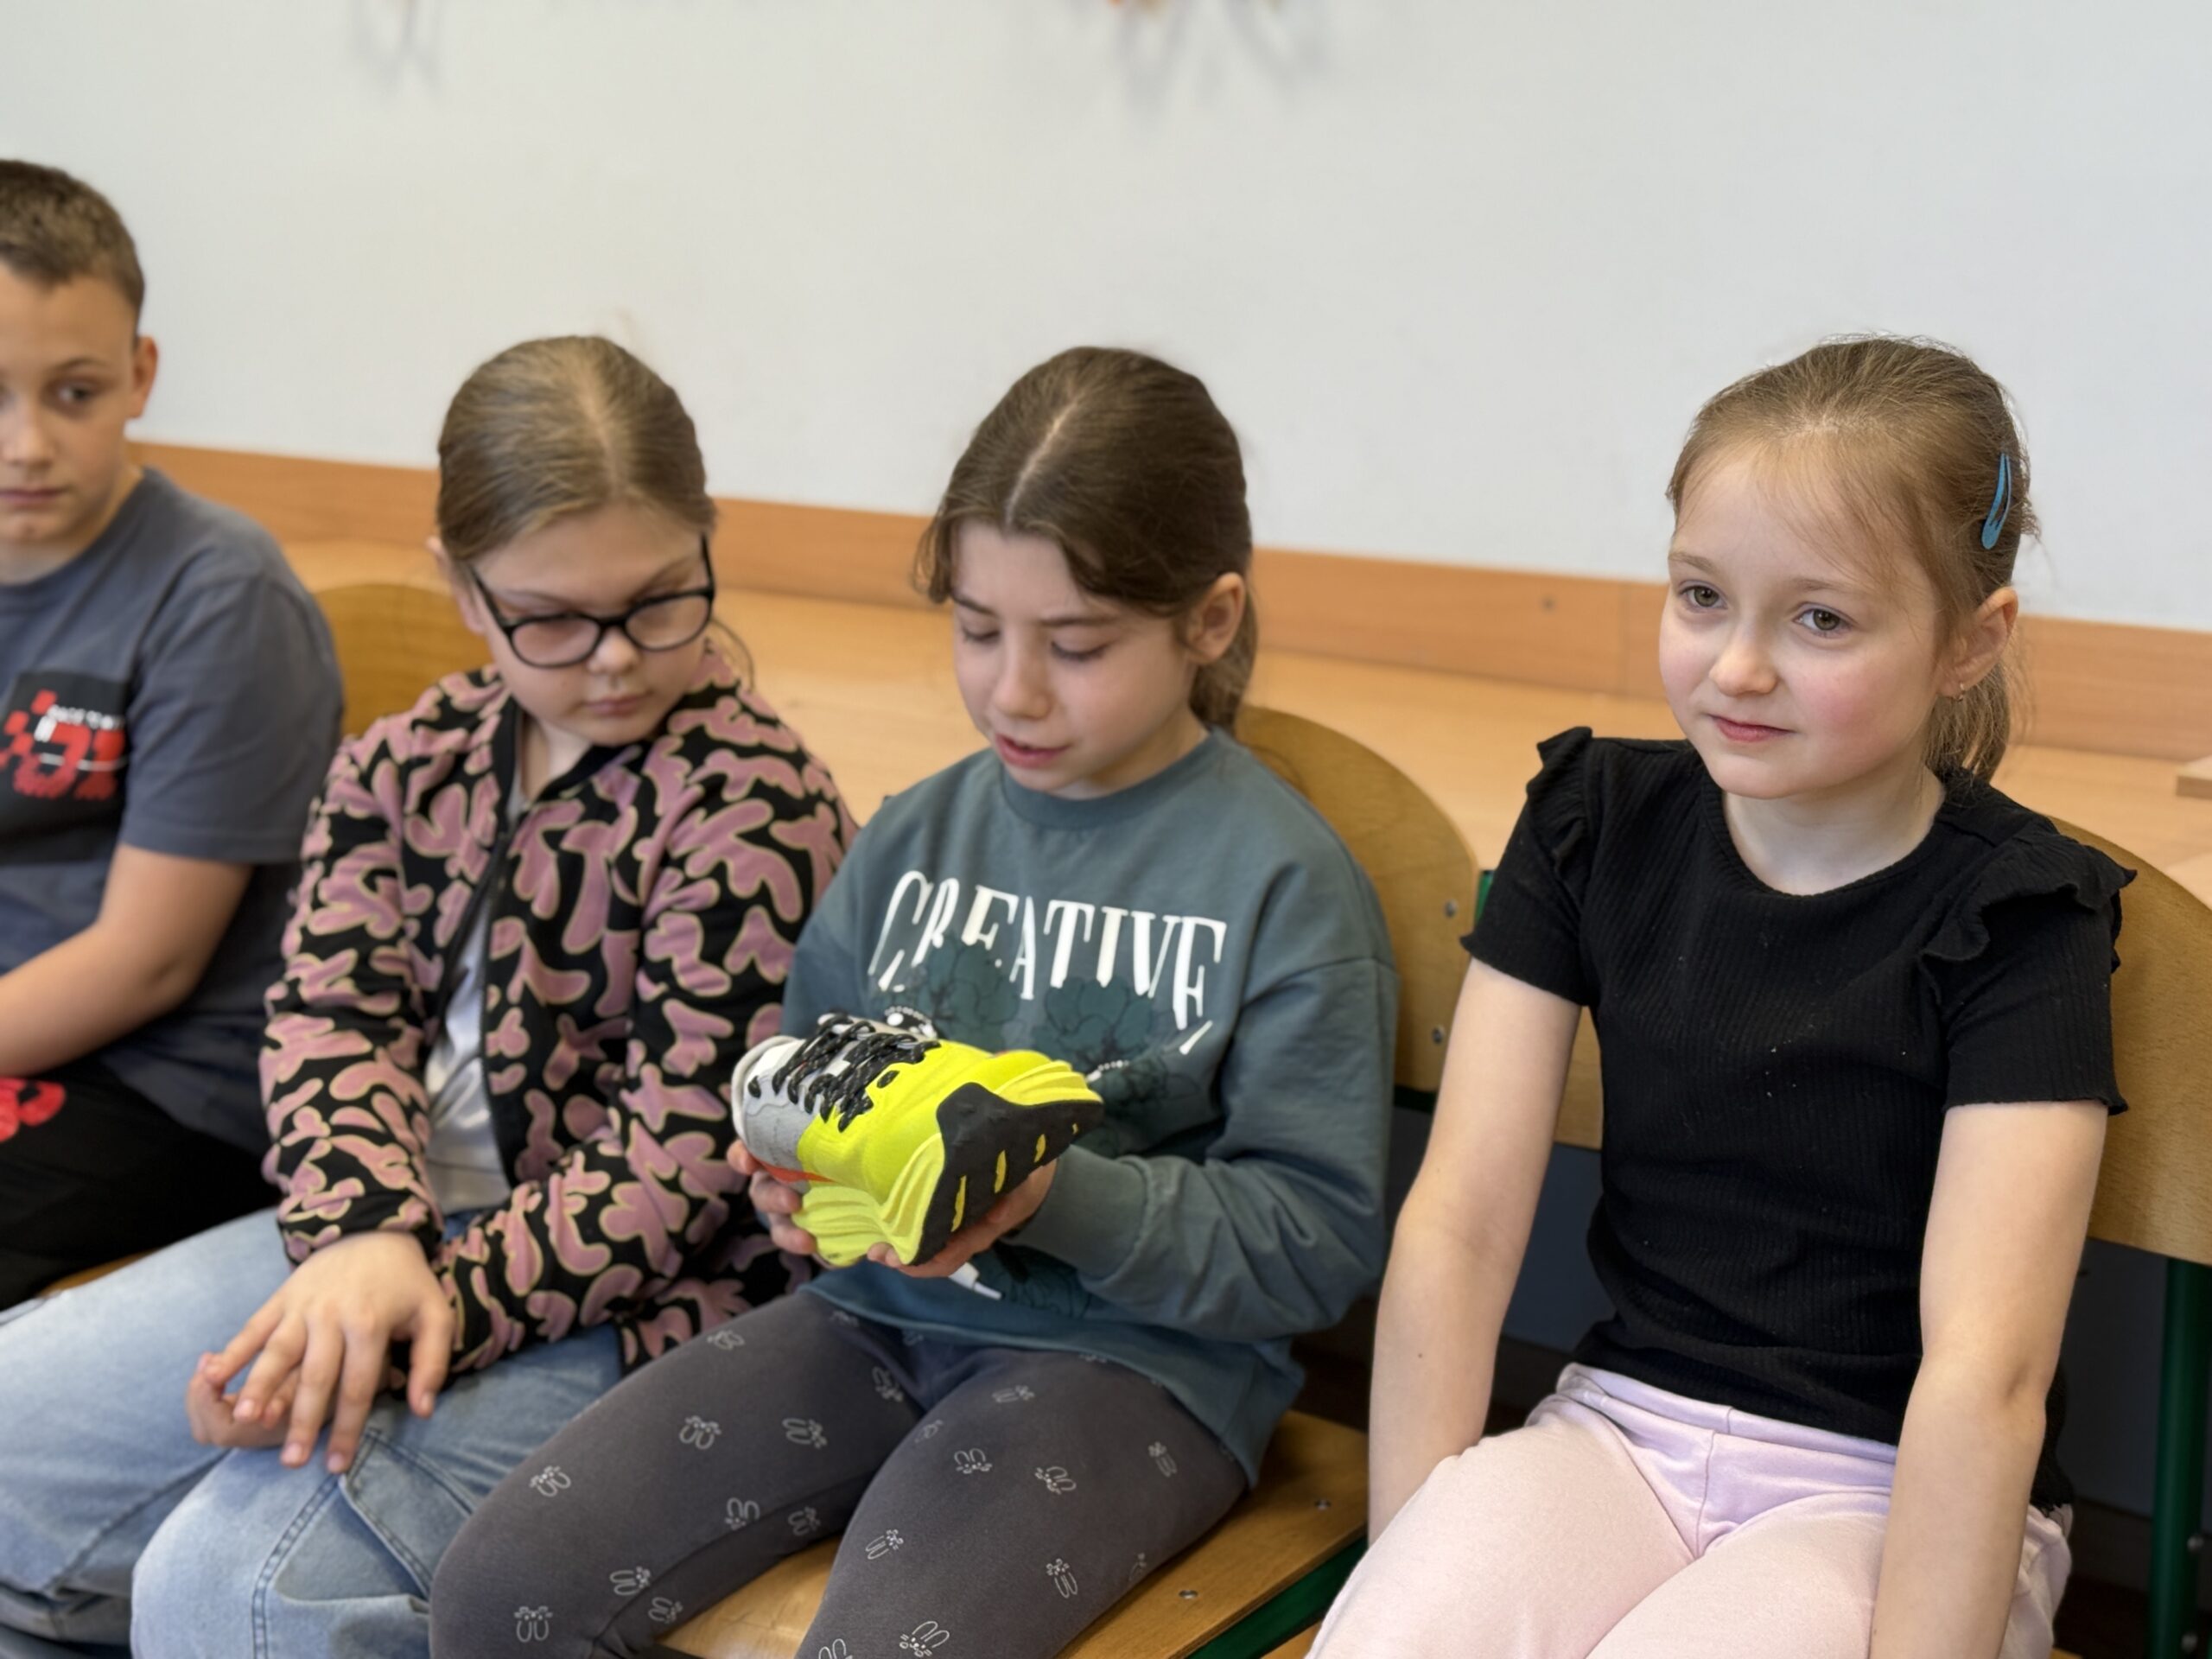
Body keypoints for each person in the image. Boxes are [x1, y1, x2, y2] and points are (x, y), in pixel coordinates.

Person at [430, 346, 1399, 1659]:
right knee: (500, 1589)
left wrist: (1050, 1196)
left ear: (1210, 621)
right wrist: (793, 1184)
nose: (1014, 690)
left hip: (1138, 1369)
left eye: (1077, 645)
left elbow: (1313, 1249)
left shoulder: (1282, 882)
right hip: (872, 1317)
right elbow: (804, 1073)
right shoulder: (913, 838)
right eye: (978, 629)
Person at [0, 334, 848, 1657]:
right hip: (378, 1235)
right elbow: (329, 1020)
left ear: (707, 544)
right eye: (551, 618)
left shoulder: (757, 803)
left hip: (645, 1296)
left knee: (233, 1588)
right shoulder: (402, 763)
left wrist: (397, 1319)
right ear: (461, 584)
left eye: (660, 601)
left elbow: (682, 1161)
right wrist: (358, 1238)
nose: (615, 660)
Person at [1314, 336, 2126, 1658]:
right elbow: (1459, 1225)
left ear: (1971, 643)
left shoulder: (2024, 914)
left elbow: (1987, 1378)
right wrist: (1412, 1567)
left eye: (1821, 620)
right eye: (1702, 595)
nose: (1738, 666)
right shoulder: (1590, 822)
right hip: (1619, 1433)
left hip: (1893, 1488)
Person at [0, 159, 340, 1304]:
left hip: (167, 1080)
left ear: (141, 376)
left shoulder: (220, 592)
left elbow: (147, 962)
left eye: (73, 393)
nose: (28, 445)